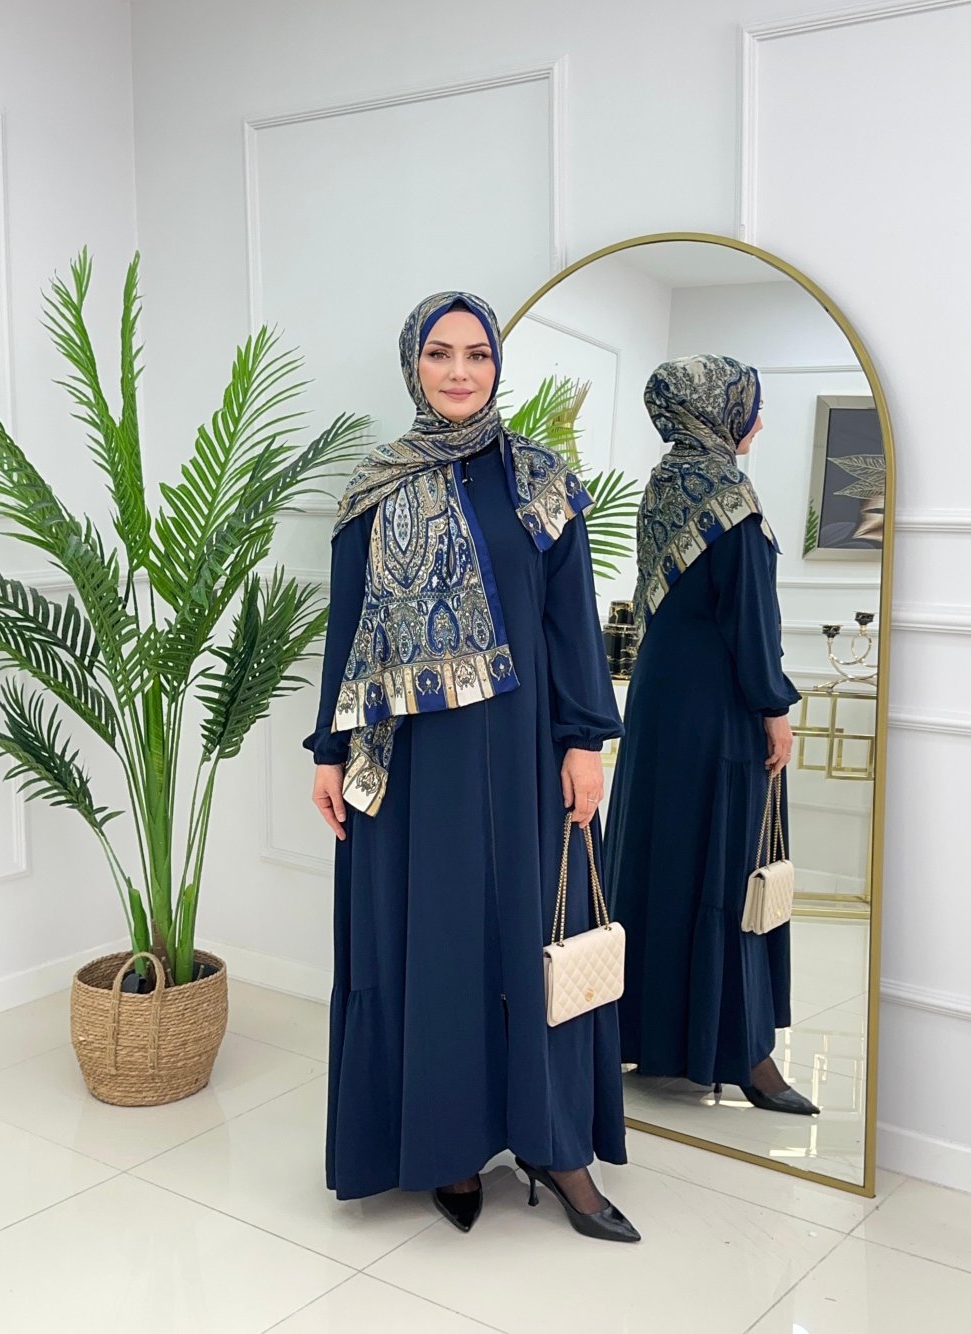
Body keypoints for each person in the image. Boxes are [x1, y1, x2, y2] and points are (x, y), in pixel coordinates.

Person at [304, 291, 640, 1241]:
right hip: (412, 764)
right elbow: (347, 630)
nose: (460, 372)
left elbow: (571, 622)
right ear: (413, 365)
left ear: (498, 365)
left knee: (534, 934)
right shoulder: (375, 487)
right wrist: (330, 752)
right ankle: (447, 1143)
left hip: (527, 754)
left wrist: (584, 741)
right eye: (440, 354)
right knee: (435, 941)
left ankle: (558, 1148)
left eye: (477, 354)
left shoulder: (539, 480)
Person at [604, 354, 818, 1116]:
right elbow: (750, 621)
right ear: (718, 410)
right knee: (727, 866)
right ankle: (745, 1056)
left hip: (659, 710)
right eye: (749, 404)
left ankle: (649, 1035)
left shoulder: (664, 484)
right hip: (718, 713)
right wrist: (774, 709)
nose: (756, 419)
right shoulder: (732, 498)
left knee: (659, 858)